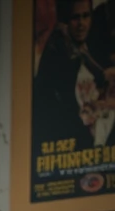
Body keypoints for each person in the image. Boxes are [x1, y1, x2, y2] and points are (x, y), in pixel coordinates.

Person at [34, 0, 110, 150]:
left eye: (85, 16)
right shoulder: (57, 49)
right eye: (75, 18)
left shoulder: (88, 46)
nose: (81, 23)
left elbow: (103, 76)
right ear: (66, 21)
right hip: (66, 139)